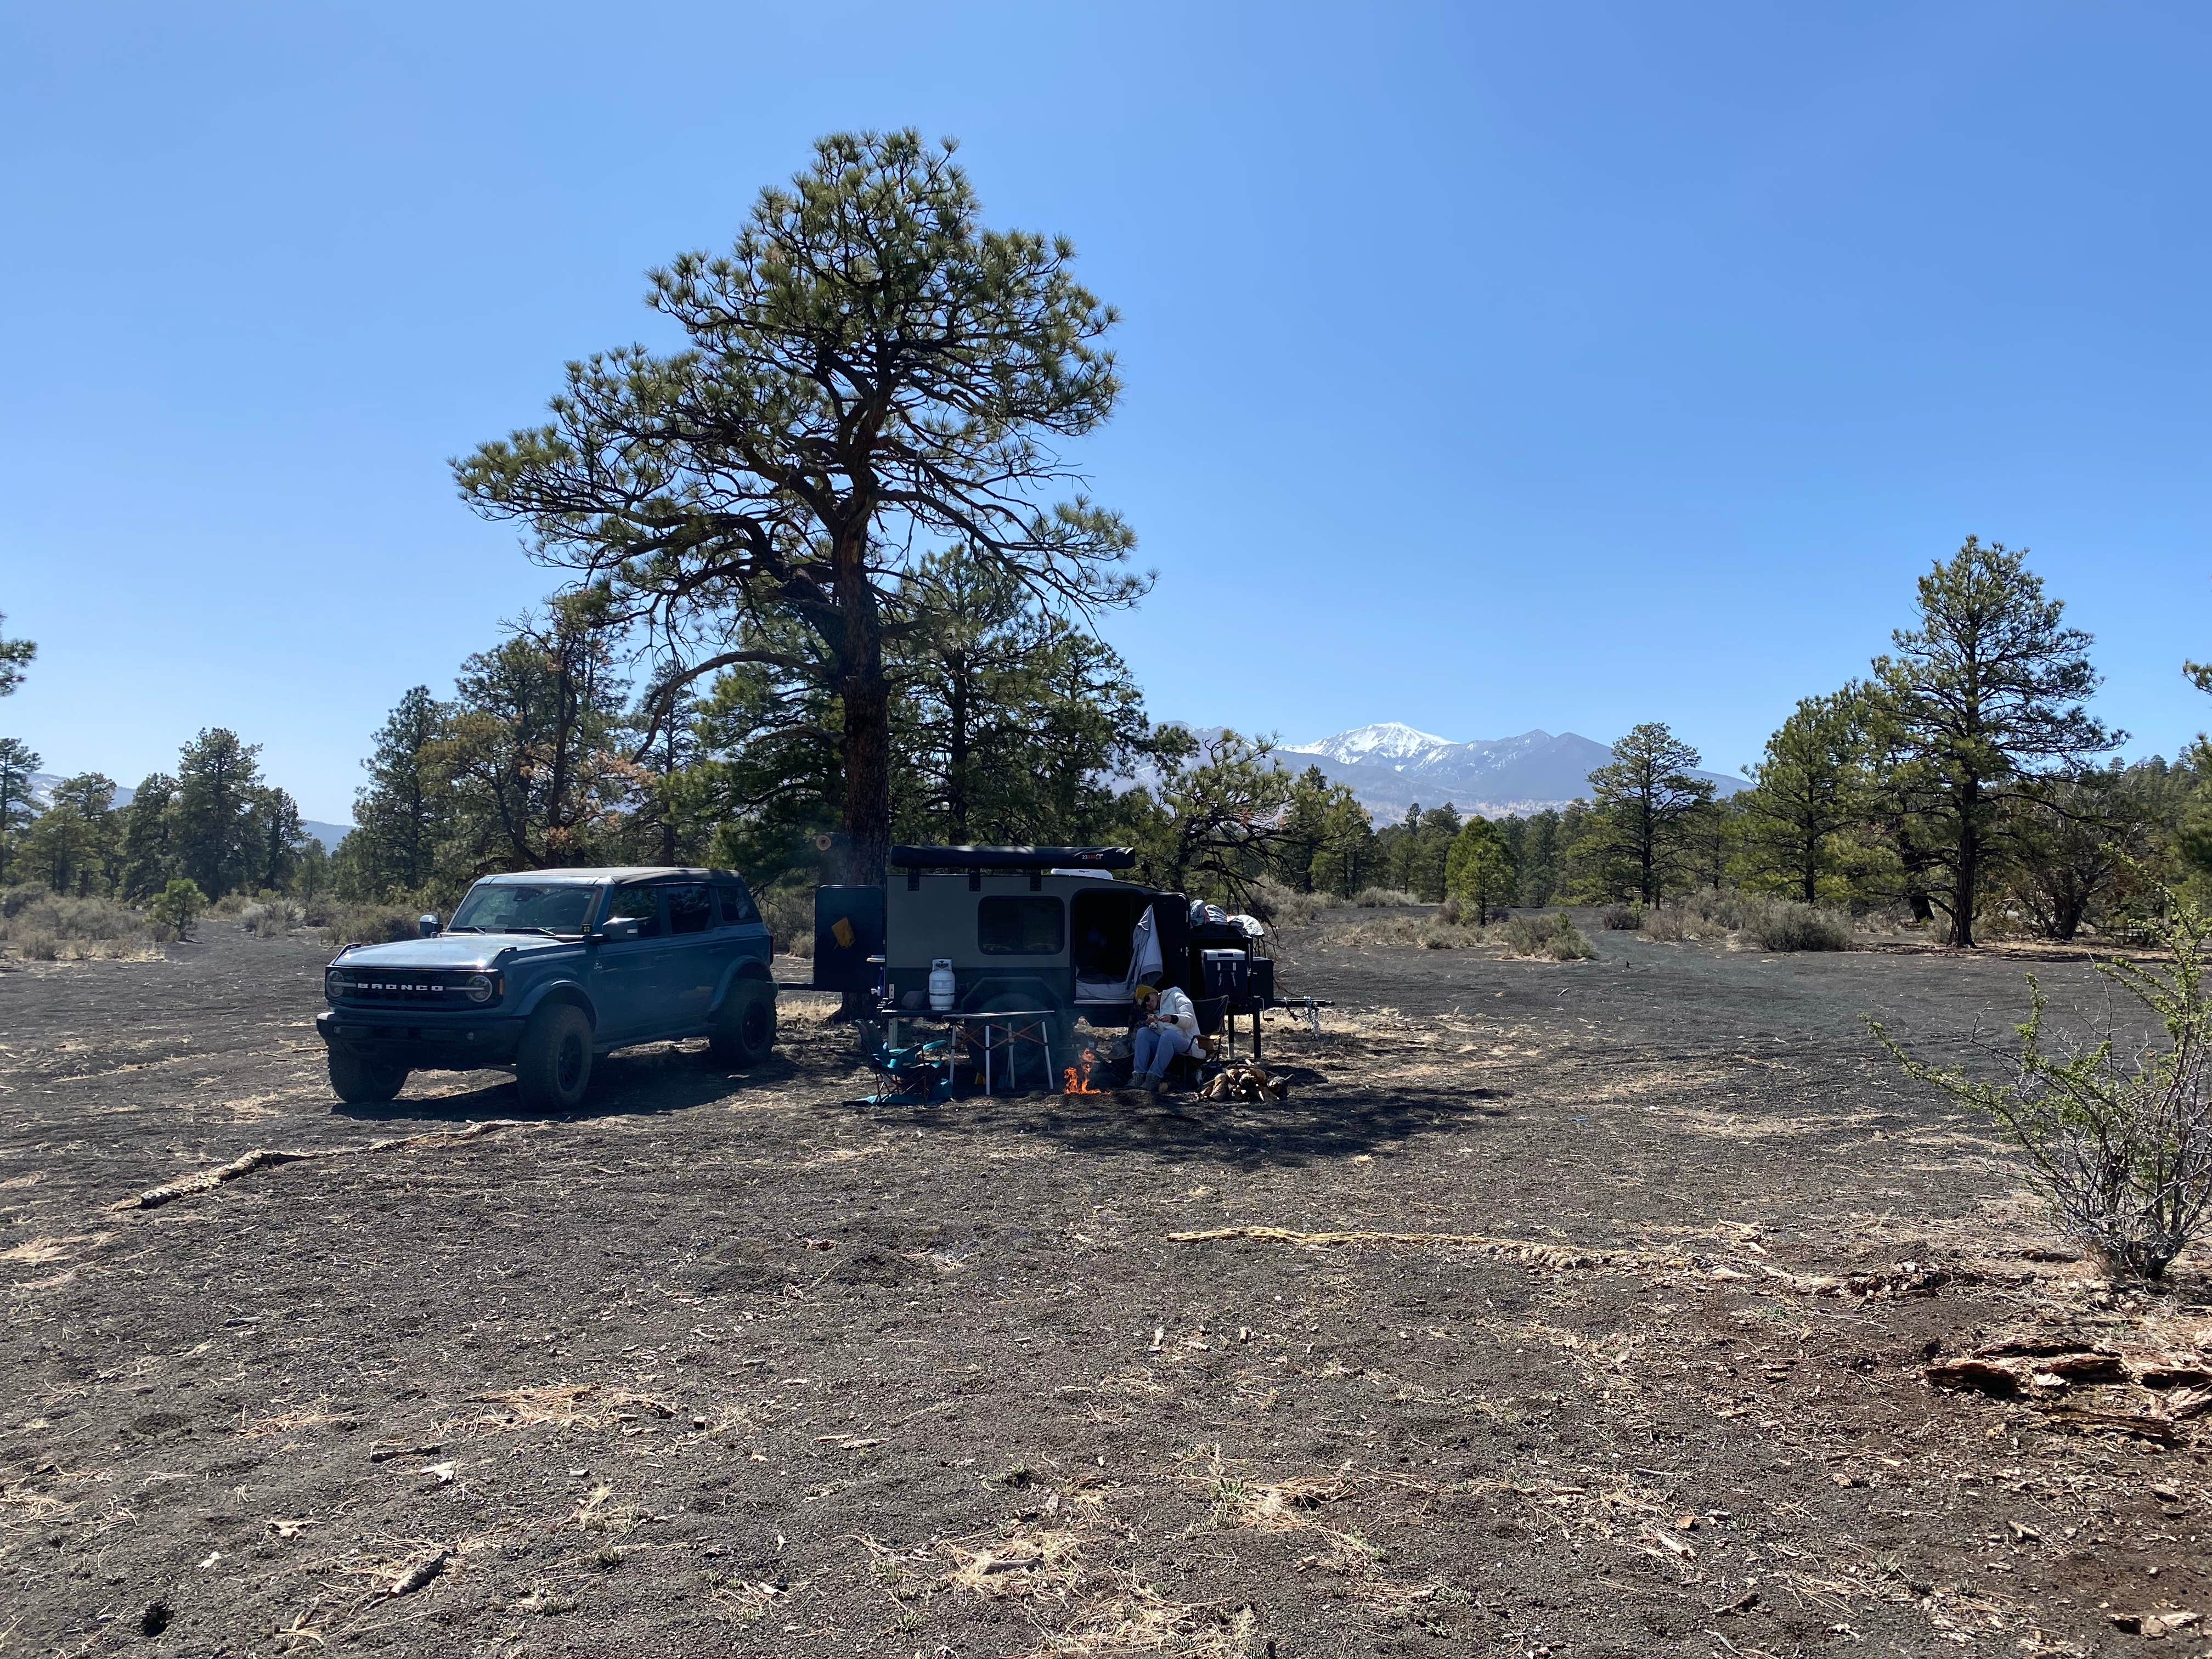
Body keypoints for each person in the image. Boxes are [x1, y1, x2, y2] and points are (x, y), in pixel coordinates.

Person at [1129, 982, 1198, 1095]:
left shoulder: (1176, 996)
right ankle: (1139, 1076)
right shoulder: (1156, 1013)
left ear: (1153, 993)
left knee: (1168, 1036)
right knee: (1143, 1033)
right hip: (1169, 1044)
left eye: (1147, 998)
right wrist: (1155, 1026)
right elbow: (1164, 1033)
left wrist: (1173, 1018)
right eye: (1144, 1005)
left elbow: (1190, 1021)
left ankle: (1153, 1078)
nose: (1148, 1004)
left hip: (1189, 1043)